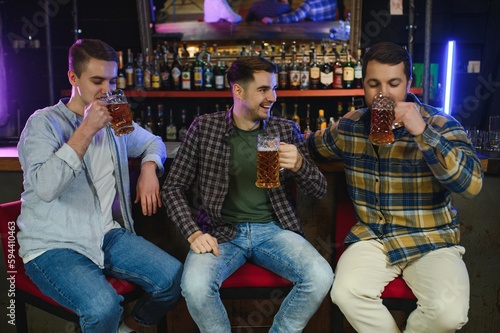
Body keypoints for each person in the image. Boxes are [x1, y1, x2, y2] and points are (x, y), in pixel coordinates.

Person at [307, 41, 483, 332]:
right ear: (363, 84)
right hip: (373, 237)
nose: (383, 94)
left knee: (449, 314)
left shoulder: (440, 123)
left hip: (431, 239)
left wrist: (422, 133)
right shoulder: (350, 125)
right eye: (374, 83)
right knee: (345, 292)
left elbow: (472, 185)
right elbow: (310, 146)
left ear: (409, 84)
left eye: (393, 83)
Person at [16, 39, 183, 333]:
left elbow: (152, 142)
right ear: (73, 79)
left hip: (107, 235)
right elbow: (45, 187)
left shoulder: (114, 120)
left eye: (112, 81)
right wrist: (86, 129)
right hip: (55, 245)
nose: (107, 90)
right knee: (103, 307)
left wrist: (149, 168)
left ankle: (128, 329)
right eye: (97, 81)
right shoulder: (43, 123)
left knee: (173, 278)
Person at [161, 56, 334, 333]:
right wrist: (193, 233)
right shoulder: (205, 127)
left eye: (274, 89)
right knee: (194, 287)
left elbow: (319, 190)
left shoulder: (284, 129)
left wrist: (300, 165)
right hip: (221, 232)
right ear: (238, 91)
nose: (272, 97)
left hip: (274, 231)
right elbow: (172, 187)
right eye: (264, 90)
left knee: (321, 277)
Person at [261, 0, 337, 24]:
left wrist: (273, 19)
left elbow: (294, 16)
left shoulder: (309, 4)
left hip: (313, 37)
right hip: (329, 37)